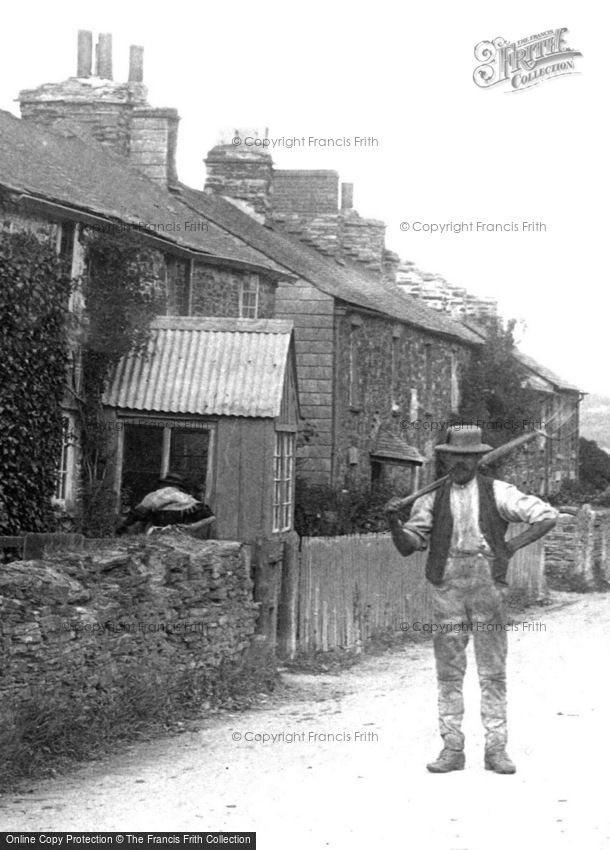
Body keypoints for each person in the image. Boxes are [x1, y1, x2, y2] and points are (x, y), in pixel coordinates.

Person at [385, 425, 558, 775]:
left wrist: (510, 547)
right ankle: (452, 748)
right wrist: (393, 521)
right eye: (454, 457)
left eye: (468, 457)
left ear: (479, 459)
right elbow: (408, 546)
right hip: (446, 587)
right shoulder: (429, 499)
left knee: (493, 672)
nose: (461, 463)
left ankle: (496, 749)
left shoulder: (499, 492)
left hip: (487, 586)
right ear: (446, 457)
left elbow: (547, 515)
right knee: (449, 673)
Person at [118, 472, 215, 537]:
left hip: (157, 535)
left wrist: (122, 527)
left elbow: (134, 516)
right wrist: (193, 527)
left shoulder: (153, 497)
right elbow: (210, 517)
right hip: (178, 535)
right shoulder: (186, 499)